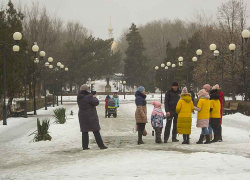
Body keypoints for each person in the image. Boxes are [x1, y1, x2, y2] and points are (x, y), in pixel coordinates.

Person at [77, 84, 108, 150]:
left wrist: (90, 95)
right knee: (96, 130)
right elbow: (96, 103)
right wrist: (94, 96)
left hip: (82, 115)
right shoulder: (89, 97)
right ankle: (101, 145)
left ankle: (85, 146)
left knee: (85, 131)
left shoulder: (79, 96)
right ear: (86, 90)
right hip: (90, 115)